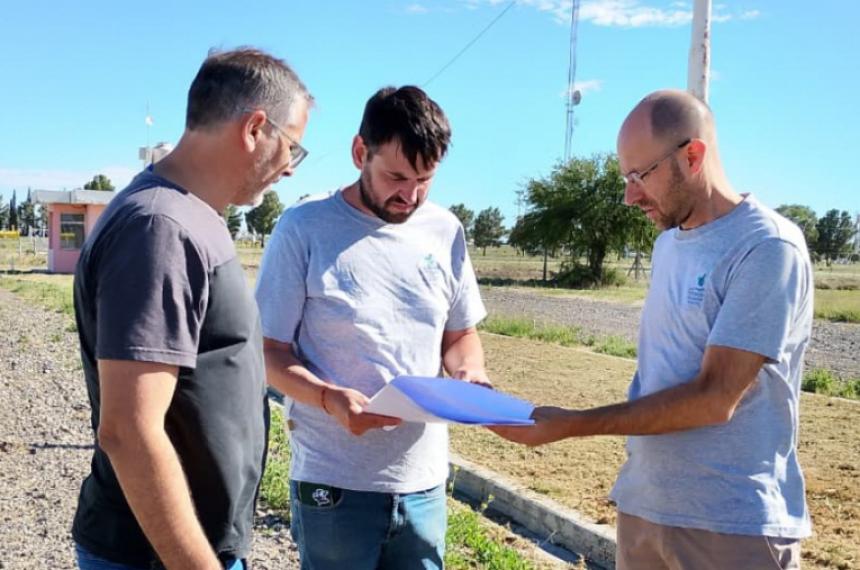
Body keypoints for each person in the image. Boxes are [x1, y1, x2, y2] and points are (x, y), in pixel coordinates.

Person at [492, 89, 812, 569]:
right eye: (626, 177)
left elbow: (714, 397)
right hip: (647, 510)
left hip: (730, 526)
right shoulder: (668, 246)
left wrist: (573, 424)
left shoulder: (767, 247)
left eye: (640, 175)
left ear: (693, 155)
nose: (629, 195)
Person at [71, 48, 312, 569]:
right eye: (292, 146)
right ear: (255, 128)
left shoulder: (188, 217)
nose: (290, 168)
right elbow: (128, 431)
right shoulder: (160, 228)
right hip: (157, 555)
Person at [255, 85, 488, 570]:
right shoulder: (303, 228)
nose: (411, 195)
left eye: (425, 179)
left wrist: (468, 374)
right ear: (360, 152)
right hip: (334, 482)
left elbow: (461, 335)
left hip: (423, 480)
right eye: (397, 176)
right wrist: (328, 398)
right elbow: (268, 352)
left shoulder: (445, 231)